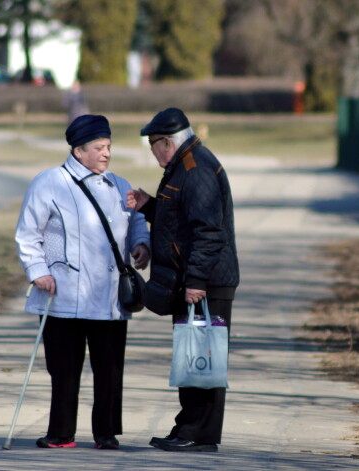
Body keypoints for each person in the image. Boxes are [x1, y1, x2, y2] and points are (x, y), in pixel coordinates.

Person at [15, 114, 150, 450]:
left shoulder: (119, 184)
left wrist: (141, 244)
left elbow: (136, 221)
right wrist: (38, 271)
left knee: (109, 370)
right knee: (63, 370)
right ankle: (61, 433)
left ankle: (106, 433)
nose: (106, 153)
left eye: (108, 147)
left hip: (108, 297)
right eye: (98, 147)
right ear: (78, 150)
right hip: (61, 294)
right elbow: (27, 235)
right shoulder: (49, 182)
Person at [126, 108, 239, 452]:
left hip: (204, 282)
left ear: (167, 143)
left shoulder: (196, 169)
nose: (153, 152)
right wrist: (149, 207)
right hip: (194, 279)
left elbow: (208, 231)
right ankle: (189, 428)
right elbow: (180, 215)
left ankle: (198, 433)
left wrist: (197, 281)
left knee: (202, 361)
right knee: (194, 359)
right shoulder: (185, 165)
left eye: (153, 145)